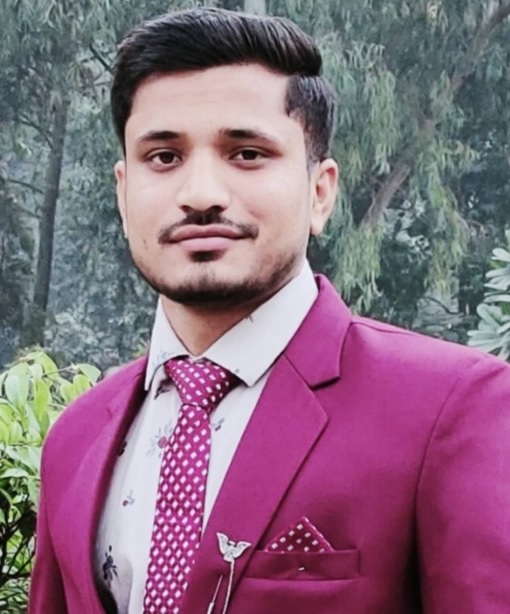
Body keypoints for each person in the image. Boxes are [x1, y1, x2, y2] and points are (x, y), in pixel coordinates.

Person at [28, 7, 510, 614]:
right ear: (124, 193)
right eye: (165, 157)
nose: (201, 195)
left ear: (320, 192)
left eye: (248, 153)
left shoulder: (451, 410)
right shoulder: (75, 439)